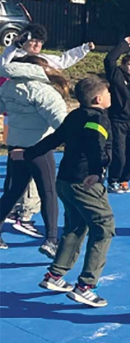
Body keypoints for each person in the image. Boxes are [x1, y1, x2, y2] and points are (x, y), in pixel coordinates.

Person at [12, 77, 113, 307]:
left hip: (65, 181)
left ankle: (55, 276)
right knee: (104, 228)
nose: (110, 97)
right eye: (108, 93)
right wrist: (97, 172)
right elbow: (97, 145)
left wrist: (28, 153)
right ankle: (86, 286)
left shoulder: (75, 115)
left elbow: (55, 139)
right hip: (84, 182)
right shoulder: (97, 119)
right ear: (98, 99)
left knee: (76, 227)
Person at [1, 25, 93, 228]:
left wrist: (84, 48)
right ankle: (27, 215)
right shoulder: (15, 59)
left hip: (32, 124)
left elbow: (64, 60)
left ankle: (22, 210)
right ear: (24, 41)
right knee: (33, 181)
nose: (36, 45)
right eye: (32, 41)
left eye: (39, 42)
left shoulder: (46, 62)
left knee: (21, 180)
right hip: (19, 123)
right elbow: (4, 63)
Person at [0, 57, 69, 255]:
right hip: (39, 146)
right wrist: (70, 139)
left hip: (16, 144)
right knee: (48, 191)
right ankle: (51, 239)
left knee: (14, 190)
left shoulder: (8, 86)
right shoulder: (43, 91)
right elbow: (60, 120)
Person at [104, 37, 130, 194]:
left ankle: (124, 181)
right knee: (119, 155)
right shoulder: (116, 76)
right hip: (118, 121)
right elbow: (109, 59)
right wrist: (124, 45)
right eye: (129, 65)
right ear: (123, 65)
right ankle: (113, 181)